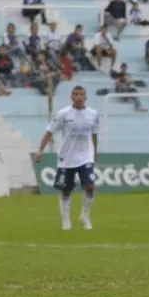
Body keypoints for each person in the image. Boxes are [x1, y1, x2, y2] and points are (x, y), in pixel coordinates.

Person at [33, 85, 99, 231]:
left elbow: (94, 134)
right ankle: (66, 221)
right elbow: (49, 132)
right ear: (71, 97)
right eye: (76, 94)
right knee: (65, 190)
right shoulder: (64, 114)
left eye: (82, 94)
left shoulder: (93, 114)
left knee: (90, 186)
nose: (79, 97)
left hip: (85, 156)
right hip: (66, 158)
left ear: (86, 97)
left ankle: (85, 216)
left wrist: (94, 152)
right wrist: (40, 151)